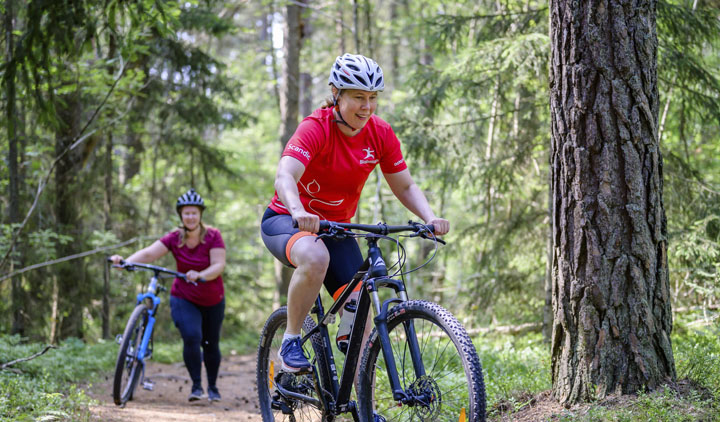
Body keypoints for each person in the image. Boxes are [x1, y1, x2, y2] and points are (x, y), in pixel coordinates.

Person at [260, 53, 449, 419]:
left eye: (373, 97)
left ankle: (364, 407)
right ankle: (290, 342)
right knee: (315, 258)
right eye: (358, 97)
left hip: (338, 228)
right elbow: (285, 175)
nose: (367, 106)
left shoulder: (379, 133)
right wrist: (298, 210)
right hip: (287, 221)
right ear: (336, 94)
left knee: (364, 300)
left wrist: (428, 217)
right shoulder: (315, 128)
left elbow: (404, 184)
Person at [110, 188, 227, 403]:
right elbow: (148, 253)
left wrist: (200, 274)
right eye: (186, 213)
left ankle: (212, 386)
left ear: (200, 214)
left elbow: (219, 264)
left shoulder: (213, 236)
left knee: (210, 344)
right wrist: (126, 262)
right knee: (192, 337)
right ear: (181, 215)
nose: (190, 217)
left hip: (212, 298)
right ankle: (196, 386)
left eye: (194, 213)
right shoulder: (175, 237)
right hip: (183, 296)